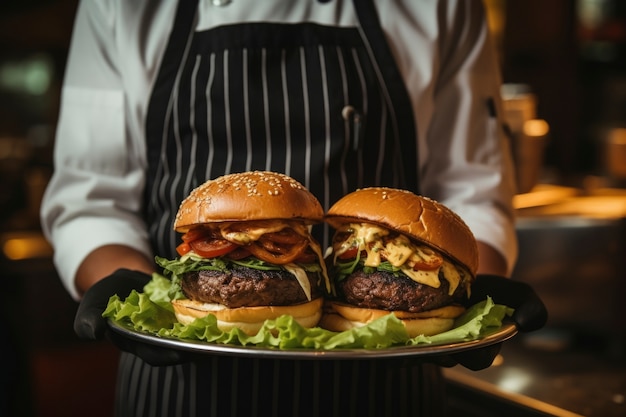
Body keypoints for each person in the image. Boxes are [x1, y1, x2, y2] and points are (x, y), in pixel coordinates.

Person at [41, 1, 547, 416]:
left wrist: (470, 291)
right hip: (179, 387)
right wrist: (124, 284)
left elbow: (473, 190)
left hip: (388, 380)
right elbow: (91, 198)